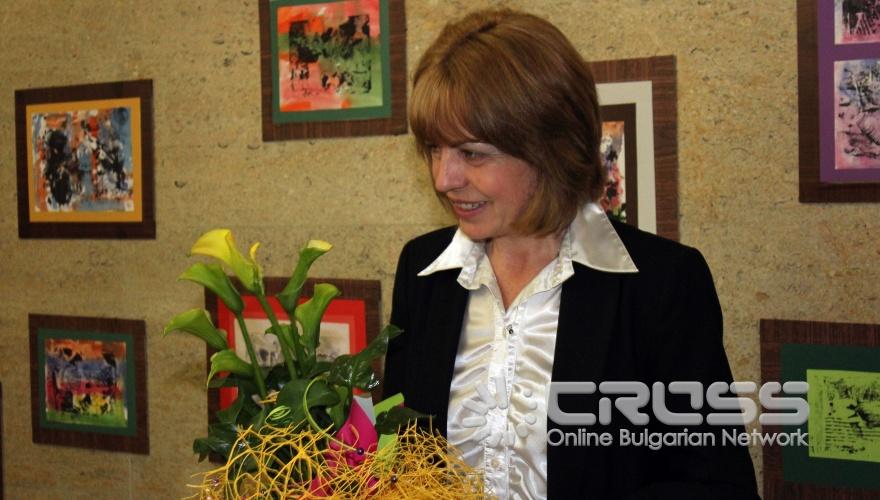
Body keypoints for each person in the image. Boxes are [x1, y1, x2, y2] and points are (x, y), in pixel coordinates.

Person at [382, 8, 759, 499]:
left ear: (550, 146)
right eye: (434, 148)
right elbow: (399, 459)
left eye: (471, 153)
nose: (443, 178)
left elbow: (717, 487)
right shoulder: (423, 271)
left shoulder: (662, 286)